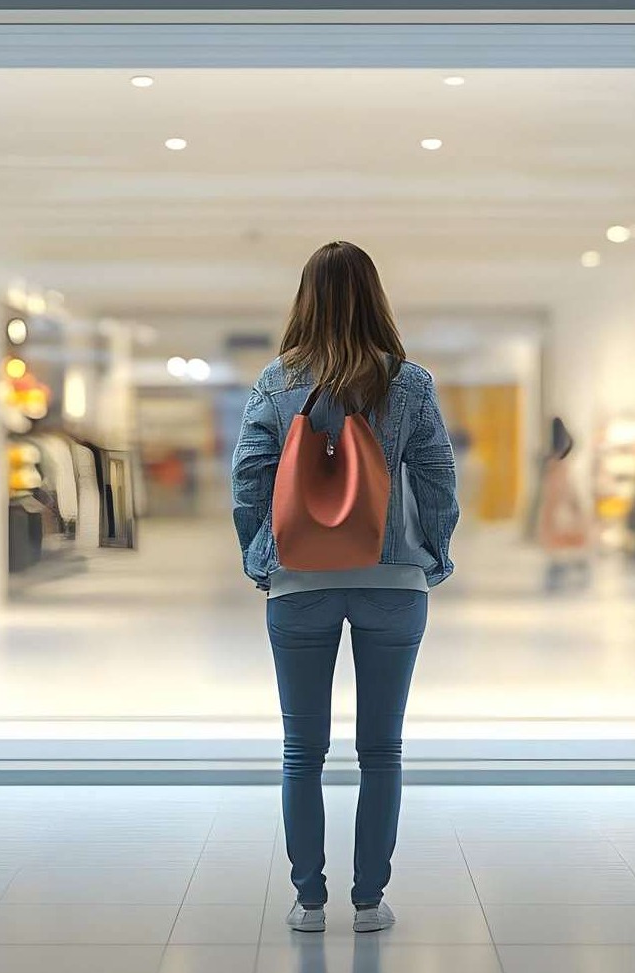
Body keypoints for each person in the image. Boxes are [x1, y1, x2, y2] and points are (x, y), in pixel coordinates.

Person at [231, 241, 459, 935]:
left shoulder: (276, 381)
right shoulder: (410, 383)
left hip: (299, 582)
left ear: (306, 298)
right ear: (374, 297)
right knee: (380, 749)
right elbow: (438, 481)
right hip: (393, 581)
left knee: (302, 750)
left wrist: (260, 557)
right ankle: (367, 900)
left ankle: (307, 900)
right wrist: (433, 555)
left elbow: (249, 480)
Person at [537, 417, 591, 591]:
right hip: (561, 514)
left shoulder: (553, 465)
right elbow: (565, 495)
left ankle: (560, 577)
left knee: (561, 552)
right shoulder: (561, 467)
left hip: (557, 514)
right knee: (566, 549)